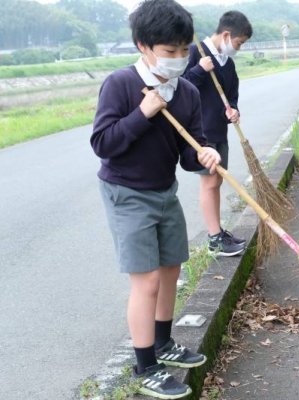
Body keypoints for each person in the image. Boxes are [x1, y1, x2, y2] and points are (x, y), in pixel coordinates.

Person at [90, 0, 221, 398]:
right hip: (127, 192)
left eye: (184, 50)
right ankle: (145, 365)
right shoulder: (121, 84)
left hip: (165, 190)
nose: (179, 59)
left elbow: (187, 152)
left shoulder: (187, 92)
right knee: (146, 280)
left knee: (170, 269)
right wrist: (141, 114)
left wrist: (205, 152)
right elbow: (103, 144)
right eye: (170, 52)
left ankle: (164, 343)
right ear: (143, 45)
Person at [183, 11, 253, 257]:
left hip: (219, 130)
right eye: (239, 42)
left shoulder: (228, 63)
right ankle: (214, 238)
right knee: (210, 180)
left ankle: (218, 232)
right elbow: (180, 87)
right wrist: (200, 70)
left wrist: (233, 110)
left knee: (217, 180)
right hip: (200, 132)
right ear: (226, 34)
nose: (239, 48)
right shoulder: (195, 53)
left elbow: (231, 94)